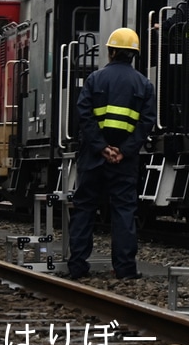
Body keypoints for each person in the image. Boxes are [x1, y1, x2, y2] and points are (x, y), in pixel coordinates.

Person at [66, 27, 156, 280]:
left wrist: (101, 147)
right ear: (133, 54)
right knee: (124, 210)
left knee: (84, 208)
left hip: (93, 157)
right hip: (124, 161)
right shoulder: (144, 84)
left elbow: (84, 115)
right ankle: (125, 269)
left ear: (112, 51)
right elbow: (146, 123)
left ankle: (77, 266)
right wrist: (123, 151)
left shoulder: (95, 79)